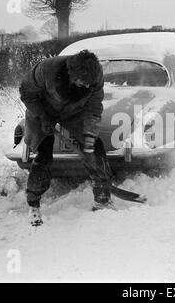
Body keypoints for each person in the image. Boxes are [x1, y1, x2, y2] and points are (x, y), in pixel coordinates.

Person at [19, 50, 113, 226]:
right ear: (71, 74)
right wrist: (42, 116)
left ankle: (103, 198)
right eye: (81, 83)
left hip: (74, 112)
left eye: (88, 85)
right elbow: (26, 92)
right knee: (44, 154)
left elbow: (93, 108)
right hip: (42, 109)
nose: (86, 87)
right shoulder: (46, 70)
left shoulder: (95, 78)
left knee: (95, 147)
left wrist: (90, 137)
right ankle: (33, 205)